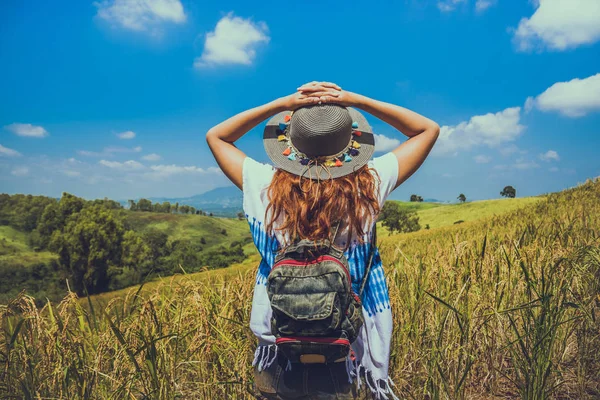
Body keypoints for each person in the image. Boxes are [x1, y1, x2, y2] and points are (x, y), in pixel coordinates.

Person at [206, 81, 439, 399]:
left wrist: (283, 103)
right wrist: (355, 99)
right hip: (350, 335)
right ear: (350, 146)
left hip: (279, 331)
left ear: (290, 144)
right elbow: (427, 129)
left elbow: (216, 136)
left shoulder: (264, 185)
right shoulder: (368, 186)